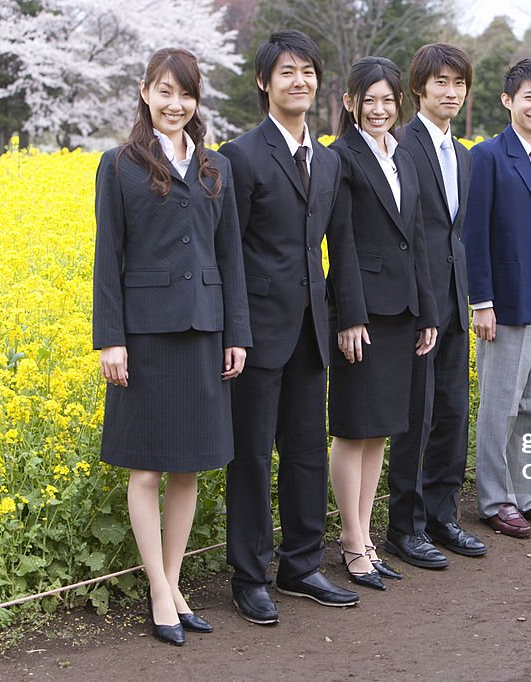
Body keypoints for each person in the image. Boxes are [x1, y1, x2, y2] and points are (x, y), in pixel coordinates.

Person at [93, 47, 251, 646]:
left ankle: (173, 582)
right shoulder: (120, 165)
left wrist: (236, 331)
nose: (175, 104)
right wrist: (111, 340)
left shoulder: (216, 168)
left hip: (205, 330)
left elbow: (230, 257)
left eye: (185, 94)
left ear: (196, 99)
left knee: (190, 467)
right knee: (146, 468)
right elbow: (108, 258)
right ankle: (160, 590)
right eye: (164, 91)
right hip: (144, 334)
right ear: (145, 92)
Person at [218, 30, 368, 625]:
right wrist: (234, 330)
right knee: (251, 456)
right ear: (264, 83)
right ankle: (248, 575)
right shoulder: (241, 155)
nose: (299, 80)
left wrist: (348, 314)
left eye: (307, 70)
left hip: (312, 329)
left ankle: (302, 565)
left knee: (306, 451)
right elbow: (228, 253)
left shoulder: (329, 159)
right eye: (286, 72)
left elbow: (341, 244)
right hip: (255, 331)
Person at [329, 56, 439, 590]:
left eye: (387, 100)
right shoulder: (341, 157)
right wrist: (349, 315)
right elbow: (341, 240)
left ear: (399, 103)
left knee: (380, 433)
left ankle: (368, 539)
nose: (378, 109)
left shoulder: (403, 154)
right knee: (354, 429)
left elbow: (414, 234)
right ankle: (351, 543)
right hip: (363, 314)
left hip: (402, 312)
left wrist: (428, 312)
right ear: (350, 103)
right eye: (367, 99)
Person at [463, 59, 531, 539]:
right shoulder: (489, 155)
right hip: (508, 301)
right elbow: (474, 233)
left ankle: (527, 494)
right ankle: (494, 498)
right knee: (501, 404)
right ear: (508, 101)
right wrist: (481, 301)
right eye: (528, 97)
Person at [386, 43, 485, 567]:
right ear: (418, 88)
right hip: (417, 304)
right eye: (440, 82)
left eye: (459, 84)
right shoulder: (401, 146)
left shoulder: (463, 154)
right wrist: (423, 304)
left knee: (451, 410)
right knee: (415, 416)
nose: (451, 92)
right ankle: (405, 526)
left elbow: (456, 233)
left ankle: (443, 516)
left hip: (455, 298)